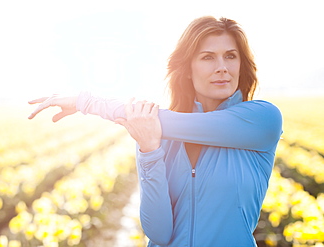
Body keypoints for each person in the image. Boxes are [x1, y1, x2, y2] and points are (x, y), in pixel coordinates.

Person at [28, 16, 282, 247]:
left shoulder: (262, 119)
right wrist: (150, 151)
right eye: (207, 57)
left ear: (241, 63)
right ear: (187, 68)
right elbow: (159, 232)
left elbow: (166, 121)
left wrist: (86, 102)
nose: (222, 67)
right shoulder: (155, 132)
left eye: (230, 56)